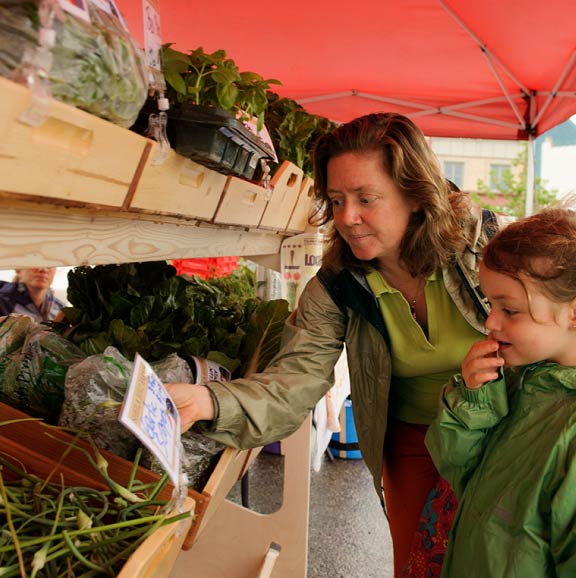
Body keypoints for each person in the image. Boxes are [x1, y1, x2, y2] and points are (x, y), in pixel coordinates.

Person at [165, 112, 498, 577]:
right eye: (336, 199)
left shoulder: (481, 251)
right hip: (413, 441)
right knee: (421, 565)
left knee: (501, 556)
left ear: (415, 195)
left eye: (367, 198)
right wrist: (208, 401)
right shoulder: (338, 286)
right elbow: (294, 379)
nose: (347, 217)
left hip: (502, 430)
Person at [425, 206, 576, 578]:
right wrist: (473, 399)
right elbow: (461, 473)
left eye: (509, 309)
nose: (490, 321)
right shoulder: (517, 380)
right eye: (491, 303)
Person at [0, 267, 65, 322]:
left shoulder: (61, 309)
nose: (43, 269)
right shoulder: (2, 303)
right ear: (18, 269)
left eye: (50, 265)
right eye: (35, 263)